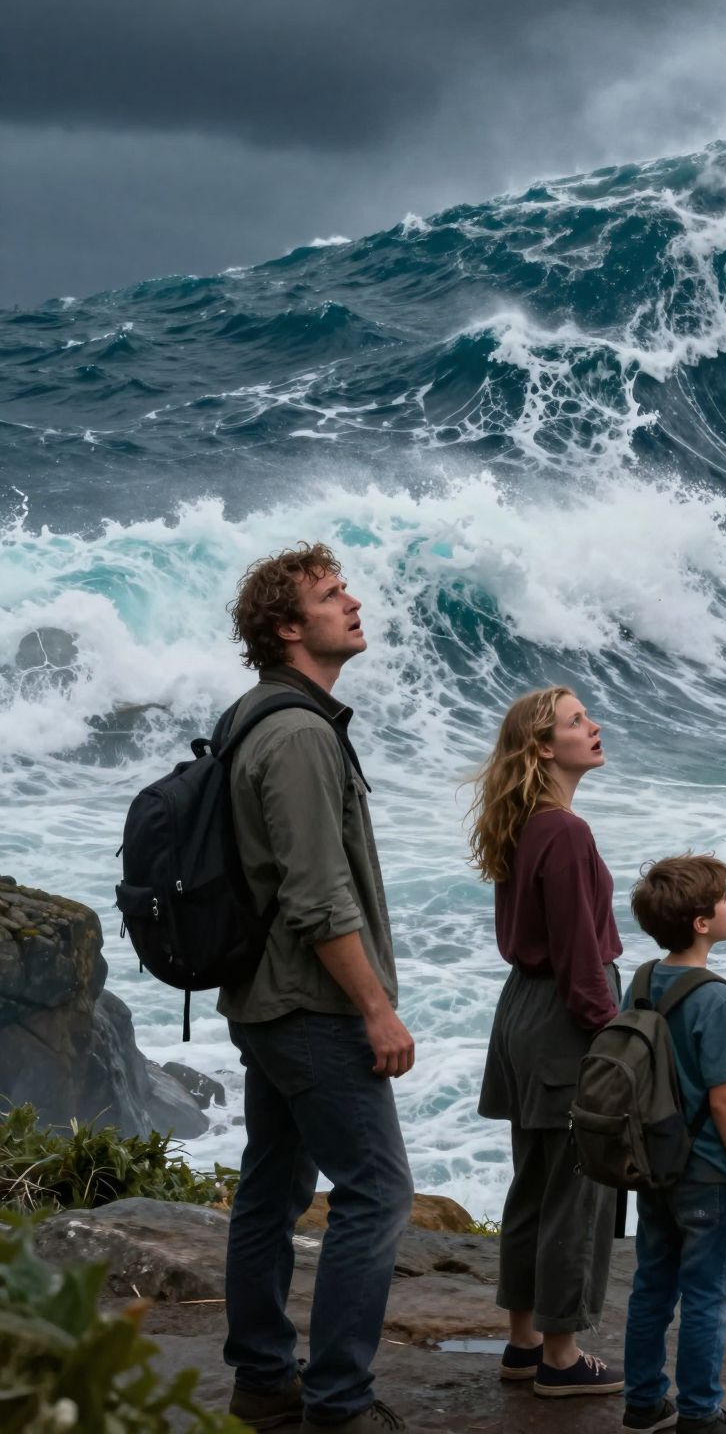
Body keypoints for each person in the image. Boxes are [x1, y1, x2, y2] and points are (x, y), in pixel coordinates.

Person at [218, 543, 414, 1434]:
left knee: (271, 1188)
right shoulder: (297, 733)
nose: (353, 603)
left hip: (270, 1001)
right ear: (289, 628)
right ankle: (338, 1403)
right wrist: (375, 1008)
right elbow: (315, 895)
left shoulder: (258, 715)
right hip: (312, 1008)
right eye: (333, 596)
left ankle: (263, 1380)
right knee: (376, 1194)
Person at [471, 686, 626, 1397]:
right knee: (576, 1190)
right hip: (565, 1018)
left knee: (534, 1182)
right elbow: (578, 958)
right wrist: (617, 1040)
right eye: (575, 722)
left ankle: (523, 1342)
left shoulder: (529, 823)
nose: (593, 727)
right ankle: (562, 1360)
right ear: (542, 747)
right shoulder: (565, 832)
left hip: (523, 1015)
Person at [620, 855, 726, 1434]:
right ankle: (701, 1416)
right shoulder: (716, 998)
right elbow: (724, 1100)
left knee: (652, 1285)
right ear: (703, 923)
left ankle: (642, 1403)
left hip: (655, 1163)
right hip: (707, 1169)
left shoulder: (641, 981)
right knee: (707, 1297)